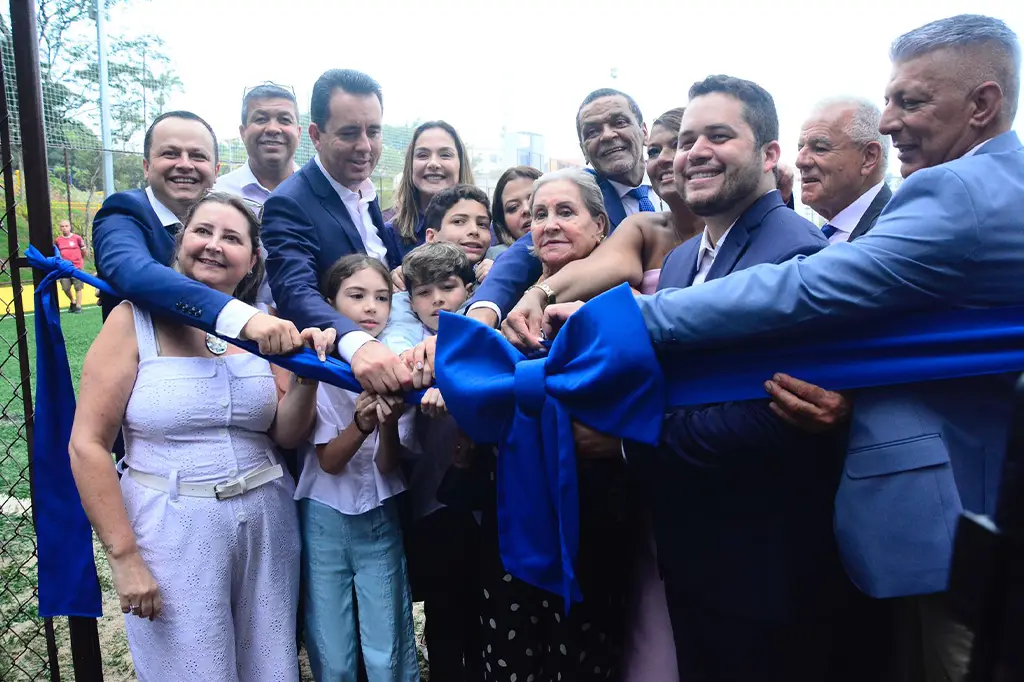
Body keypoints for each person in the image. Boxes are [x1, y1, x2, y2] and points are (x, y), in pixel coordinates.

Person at [547, 14, 1024, 682]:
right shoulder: (682, 255)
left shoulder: (958, 192)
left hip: (870, 547)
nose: (885, 123)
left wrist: (629, 323)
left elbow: (805, 292)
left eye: (909, 102)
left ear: (982, 105)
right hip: (890, 533)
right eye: (686, 139)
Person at [69, 192, 333, 681]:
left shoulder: (264, 325)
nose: (213, 245)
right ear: (180, 242)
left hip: (265, 524)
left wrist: (306, 377)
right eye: (202, 232)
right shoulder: (133, 320)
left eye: (232, 238)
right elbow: (87, 445)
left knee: (270, 667)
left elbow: (285, 433)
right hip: (171, 530)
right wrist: (124, 558)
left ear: (252, 259)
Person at [475, 168, 633, 682]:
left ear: (600, 227)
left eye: (566, 212)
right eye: (539, 215)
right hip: (511, 514)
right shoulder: (506, 303)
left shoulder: (627, 303)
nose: (549, 224)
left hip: (598, 515)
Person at [294, 255, 419, 682]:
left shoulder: (398, 367)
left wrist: (385, 424)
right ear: (330, 303)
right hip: (324, 514)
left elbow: (388, 465)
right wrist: (362, 423)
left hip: (379, 515)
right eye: (357, 296)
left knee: (388, 637)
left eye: (382, 298)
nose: (371, 308)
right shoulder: (322, 366)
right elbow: (328, 461)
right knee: (333, 644)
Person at [92, 111, 301, 355]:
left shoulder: (227, 217)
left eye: (197, 156)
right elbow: (133, 271)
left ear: (216, 171)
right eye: (170, 153)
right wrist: (240, 317)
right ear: (146, 167)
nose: (184, 164)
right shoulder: (124, 211)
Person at [260, 69, 414, 396]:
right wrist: (356, 343)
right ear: (316, 135)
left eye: (373, 131)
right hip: (337, 386)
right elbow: (294, 292)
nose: (365, 146)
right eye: (349, 133)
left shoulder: (366, 193)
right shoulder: (290, 202)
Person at [465, 88, 658, 328]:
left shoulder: (678, 181)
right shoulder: (579, 193)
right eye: (592, 131)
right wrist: (481, 314)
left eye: (619, 122)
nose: (607, 135)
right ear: (584, 149)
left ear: (644, 131)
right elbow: (517, 260)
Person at [395, 242, 482, 682]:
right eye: (424, 292)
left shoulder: (485, 335)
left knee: (481, 607)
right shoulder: (402, 342)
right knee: (443, 609)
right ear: (409, 300)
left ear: (469, 288)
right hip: (431, 498)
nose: (438, 301)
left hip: (485, 499)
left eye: (448, 287)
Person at [379, 185, 500, 353]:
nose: (474, 231)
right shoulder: (406, 282)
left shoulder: (501, 270)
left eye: (482, 224)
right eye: (458, 221)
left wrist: (498, 274)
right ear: (431, 236)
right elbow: (397, 332)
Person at [215, 81, 302, 313]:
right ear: (243, 132)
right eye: (261, 119)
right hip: (235, 327)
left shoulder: (320, 194)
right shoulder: (218, 195)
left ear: (299, 132)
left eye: (285, 120)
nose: (273, 128)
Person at [382, 121, 476, 277]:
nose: (433, 163)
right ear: (410, 166)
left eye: (445, 154)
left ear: (461, 163)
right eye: (422, 155)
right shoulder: (390, 234)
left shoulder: (487, 232)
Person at [796, 96, 892, 243]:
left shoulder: (891, 236)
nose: (800, 161)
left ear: (868, 157)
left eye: (820, 149)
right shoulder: (820, 236)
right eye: (800, 148)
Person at [488, 165, 543, 257]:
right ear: (503, 223)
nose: (526, 209)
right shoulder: (497, 258)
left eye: (533, 199)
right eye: (513, 207)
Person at [54, 219, 88, 313]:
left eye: (66, 226)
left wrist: (80, 260)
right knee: (65, 287)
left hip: (76, 266)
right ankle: (72, 301)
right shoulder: (58, 240)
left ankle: (78, 306)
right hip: (64, 268)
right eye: (62, 226)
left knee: (78, 287)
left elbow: (84, 251)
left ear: (70, 227)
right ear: (60, 228)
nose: (64, 228)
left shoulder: (77, 238)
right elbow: (56, 252)